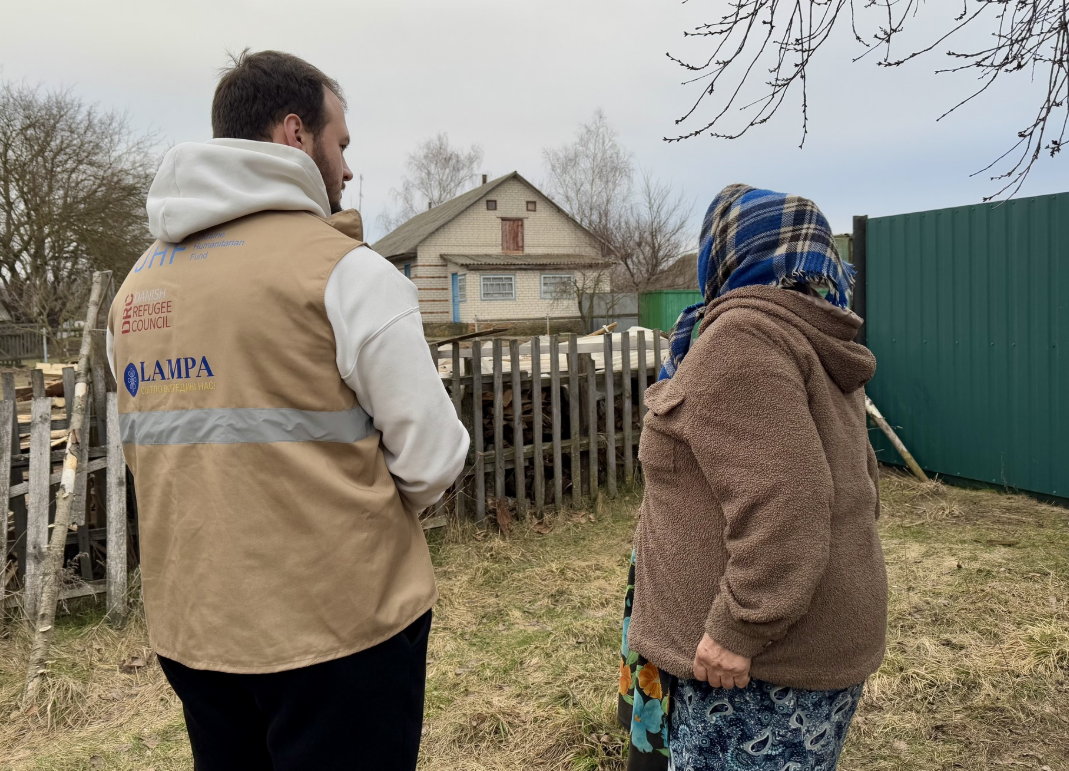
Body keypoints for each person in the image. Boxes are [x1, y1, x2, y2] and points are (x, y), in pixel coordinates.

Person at [106, 50, 469, 771]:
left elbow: (154, 453)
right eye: (341, 145)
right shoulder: (345, 272)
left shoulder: (134, 291)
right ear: (294, 134)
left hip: (195, 633)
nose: (346, 170)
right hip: (341, 633)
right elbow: (433, 456)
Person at [619, 184, 887, 770]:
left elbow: (787, 501)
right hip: (805, 655)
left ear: (726, 255)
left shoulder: (744, 338)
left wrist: (740, 629)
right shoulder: (810, 336)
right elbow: (859, 486)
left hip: (759, 668)